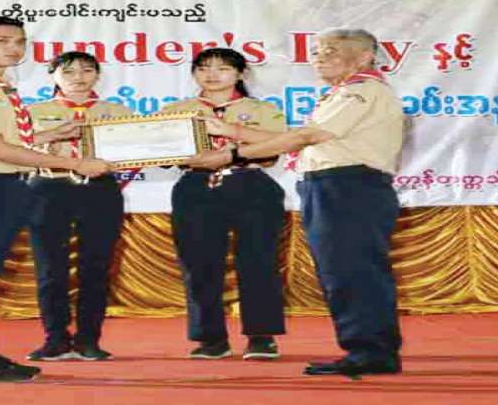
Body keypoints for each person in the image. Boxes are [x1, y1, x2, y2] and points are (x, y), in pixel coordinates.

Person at [191, 29, 404, 376]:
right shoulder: (343, 93)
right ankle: (368, 349)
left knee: (353, 271)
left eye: (331, 51)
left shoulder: (363, 91)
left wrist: (233, 154)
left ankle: (370, 351)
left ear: (365, 57)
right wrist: (231, 131)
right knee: (342, 270)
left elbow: (307, 136)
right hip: (334, 187)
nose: (319, 58)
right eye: (317, 51)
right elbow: (295, 138)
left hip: (349, 187)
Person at [0, 16, 113, 383]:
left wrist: (51, 134)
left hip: (2, 186)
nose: (14, 48)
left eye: (19, 41)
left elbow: (8, 140)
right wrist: (74, 163)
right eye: (2, 41)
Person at [162, 48, 288, 360]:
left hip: (251, 184)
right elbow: (160, 154)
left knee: (258, 261)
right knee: (198, 264)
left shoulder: (263, 110)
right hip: (196, 186)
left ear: (240, 73)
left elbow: (275, 149)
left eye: (223, 68)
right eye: (204, 68)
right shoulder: (176, 110)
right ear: (194, 73)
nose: (212, 74)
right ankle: (210, 338)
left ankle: (262, 336)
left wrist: (235, 139)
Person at [25, 51, 132, 361]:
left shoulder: (117, 112)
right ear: (53, 76)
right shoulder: (32, 112)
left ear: (98, 75)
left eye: (86, 70)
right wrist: (47, 136)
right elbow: (11, 147)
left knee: (96, 267)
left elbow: (136, 152)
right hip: (48, 188)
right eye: (69, 72)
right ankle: (55, 339)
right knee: (49, 268)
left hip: (99, 190)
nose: (78, 78)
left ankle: (89, 340)